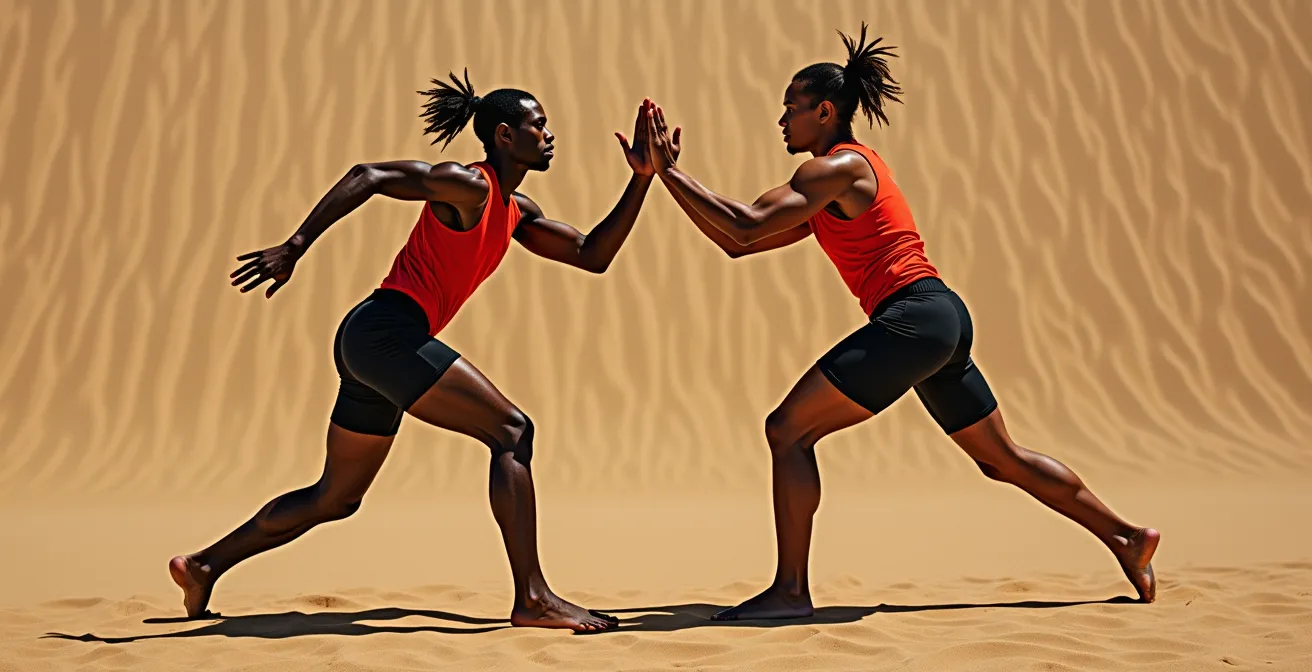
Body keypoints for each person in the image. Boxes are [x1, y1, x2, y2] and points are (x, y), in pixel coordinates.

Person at [641, 24, 1160, 621]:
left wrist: (669, 172)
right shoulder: (843, 179)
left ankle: (789, 592)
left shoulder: (832, 170)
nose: (781, 120)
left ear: (825, 111)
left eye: (791, 108)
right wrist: (665, 180)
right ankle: (1126, 537)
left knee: (788, 430)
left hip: (913, 317)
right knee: (1001, 459)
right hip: (941, 317)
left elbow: (746, 222)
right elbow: (739, 243)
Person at [170, 70, 673, 632]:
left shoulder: (517, 209)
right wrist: (295, 246)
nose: (550, 135)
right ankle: (532, 599)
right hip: (387, 332)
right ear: (505, 136)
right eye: (539, 125)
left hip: (373, 342)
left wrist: (643, 179)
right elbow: (371, 175)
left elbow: (592, 254)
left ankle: (204, 564)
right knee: (511, 431)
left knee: (335, 497)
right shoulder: (468, 186)